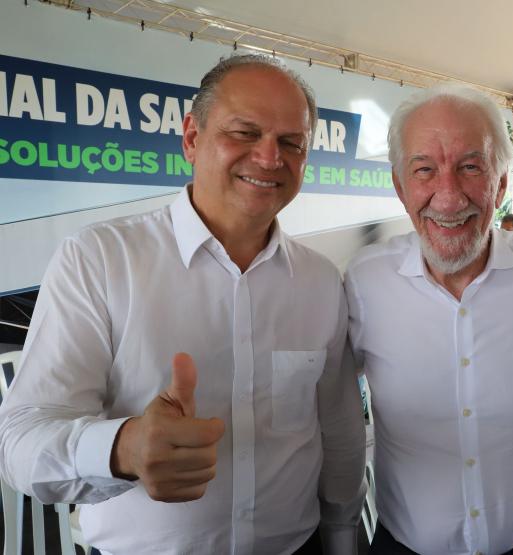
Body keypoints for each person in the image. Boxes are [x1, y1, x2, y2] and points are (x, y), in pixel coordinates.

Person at [0, 54, 366, 554]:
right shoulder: (101, 260)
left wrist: (343, 533)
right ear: (192, 137)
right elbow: (23, 443)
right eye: (244, 132)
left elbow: (337, 427)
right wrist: (124, 447)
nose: (268, 157)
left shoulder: (321, 280)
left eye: (290, 143)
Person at [345, 84, 513, 555]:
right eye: (424, 169)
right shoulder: (364, 282)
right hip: (403, 544)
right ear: (399, 186)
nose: (448, 197)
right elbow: (318, 405)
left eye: (471, 167)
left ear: (502, 183)